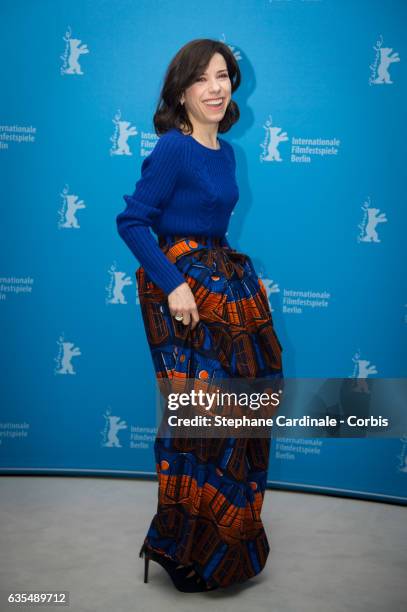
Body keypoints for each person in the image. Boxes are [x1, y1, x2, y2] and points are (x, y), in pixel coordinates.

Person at [116, 38, 284, 593]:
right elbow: (134, 223)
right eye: (203, 79)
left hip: (220, 280)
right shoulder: (173, 147)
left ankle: (226, 545)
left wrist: (242, 273)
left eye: (224, 76)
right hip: (180, 292)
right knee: (199, 416)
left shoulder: (226, 150)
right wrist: (175, 285)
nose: (216, 88)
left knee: (248, 406)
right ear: (181, 91)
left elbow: (211, 222)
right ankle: (182, 546)